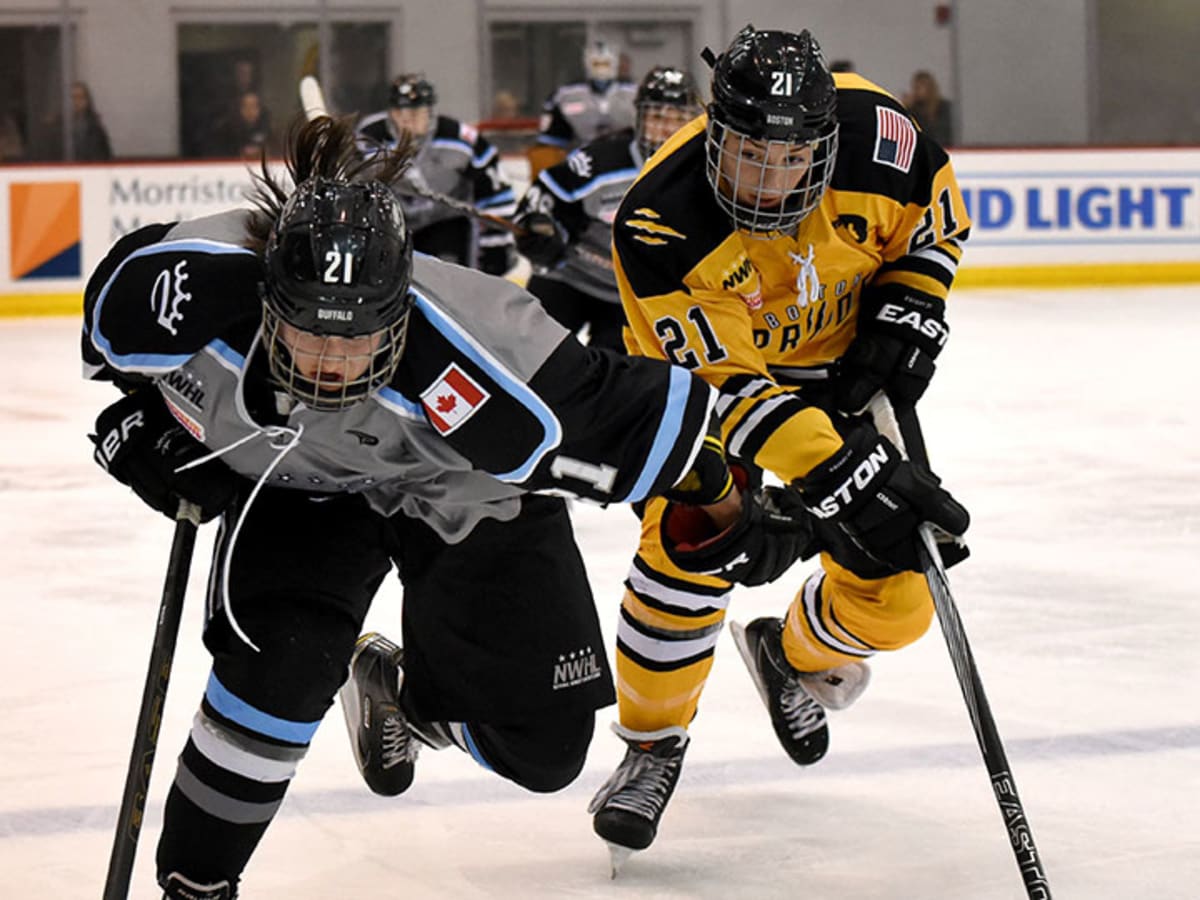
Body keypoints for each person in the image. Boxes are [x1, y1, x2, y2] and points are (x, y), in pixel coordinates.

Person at [82, 113, 809, 898]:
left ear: (400, 306)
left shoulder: (480, 350)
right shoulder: (185, 290)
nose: (332, 364)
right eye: (308, 335)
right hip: (295, 488)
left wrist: (731, 502)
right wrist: (136, 426)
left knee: (544, 749)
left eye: (357, 339)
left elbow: (620, 416)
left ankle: (399, 697)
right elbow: (112, 344)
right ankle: (197, 883)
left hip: (456, 484)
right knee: (280, 674)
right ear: (266, 300)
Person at [587, 25, 972, 866]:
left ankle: (793, 659)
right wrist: (843, 471)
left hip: (844, 374)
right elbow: (727, 388)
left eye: (790, 158)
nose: (766, 180)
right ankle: (651, 745)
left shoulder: (887, 140)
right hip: (723, 391)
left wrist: (910, 306)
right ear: (714, 130)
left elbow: (932, 229)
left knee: (901, 590)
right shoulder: (660, 218)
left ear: (826, 145)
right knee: (689, 548)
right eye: (747, 154)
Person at [512, 66, 702, 355]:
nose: (667, 130)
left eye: (679, 120)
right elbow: (542, 199)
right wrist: (541, 231)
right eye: (657, 118)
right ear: (638, 118)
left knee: (614, 380)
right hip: (570, 276)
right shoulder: (600, 162)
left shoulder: (705, 176)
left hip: (634, 299)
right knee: (523, 354)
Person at [356, 73, 517, 277]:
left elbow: (495, 191)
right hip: (392, 226)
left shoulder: (460, 140)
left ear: (429, 111)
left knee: (449, 283)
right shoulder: (367, 139)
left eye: (414, 112)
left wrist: (497, 244)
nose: (405, 119)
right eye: (398, 111)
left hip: (446, 224)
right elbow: (350, 186)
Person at [527, 40, 637, 181]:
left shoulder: (637, 95)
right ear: (587, 63)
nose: (601, 70)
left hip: (627, 166)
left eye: (605, 64)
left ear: (615, 64)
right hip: (581, 167)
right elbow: (548, 144)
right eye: (596, 64)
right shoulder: (564, 97)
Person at [211, 90, 273, 160]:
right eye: (246, 106)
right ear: (239, 109)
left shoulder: (266, 128)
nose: (250, 111)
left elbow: (273, 153)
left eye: (254, 106)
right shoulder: (227, 130)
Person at [904, 69, 954, 147]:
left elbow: (943, 132)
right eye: (915, 87)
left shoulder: (944, 107)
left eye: (919, 87)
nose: (916, 91)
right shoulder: (913, 110)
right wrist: (905, 108)